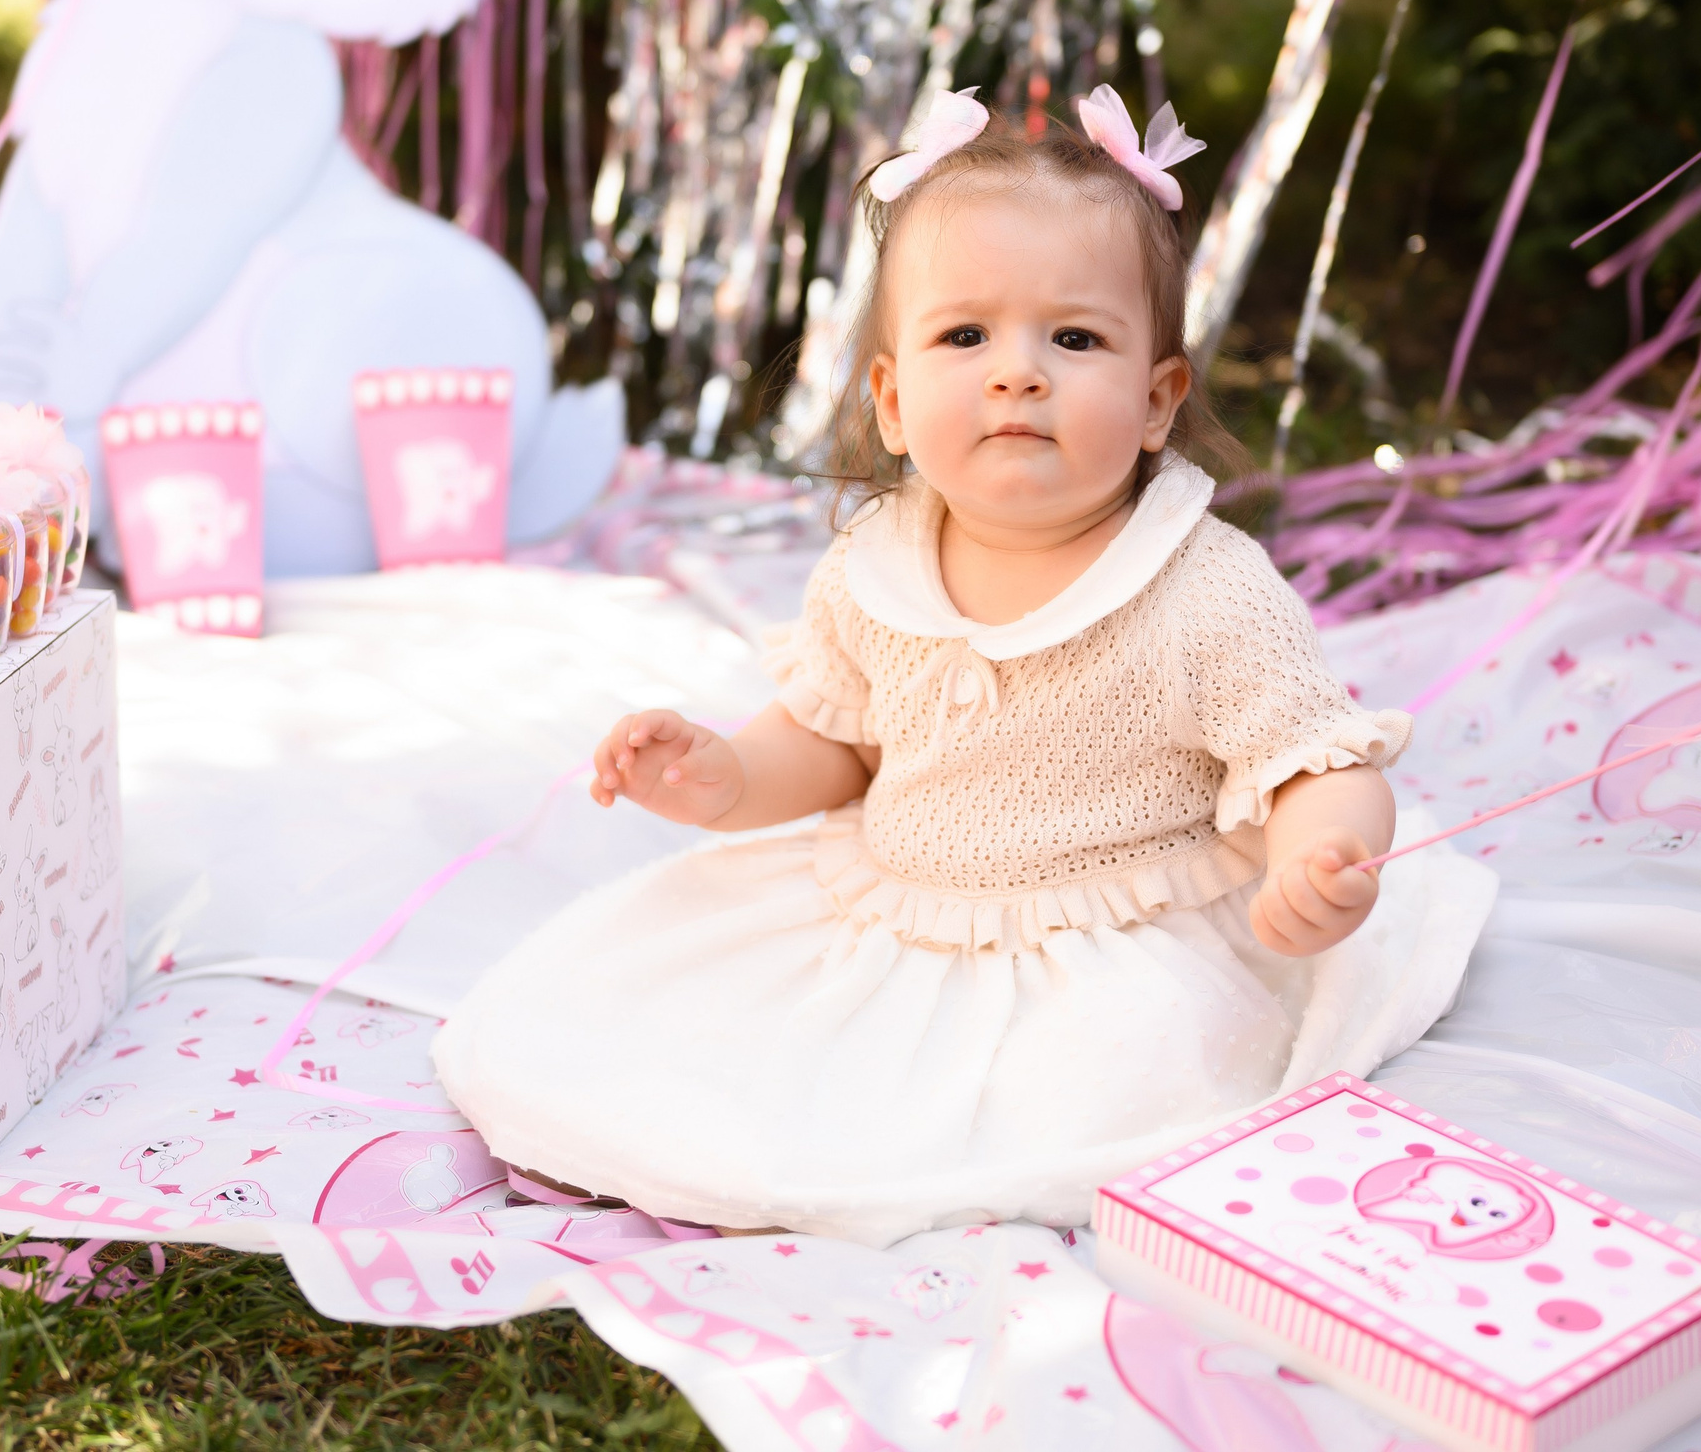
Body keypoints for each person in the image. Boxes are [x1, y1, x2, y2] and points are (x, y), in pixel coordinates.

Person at [432, 86, 1495, 1245]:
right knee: (712, 1050)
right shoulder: (871, 570)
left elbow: (1313, 759)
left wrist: (1321, 851)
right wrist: (724, 773)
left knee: (1095, 1087)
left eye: (1074, 338)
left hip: (1115, 943)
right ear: (891, 400)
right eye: (963, 335)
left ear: (1154, 400)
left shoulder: (1205, 587)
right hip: (899, 908)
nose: (1017, 373)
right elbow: (834, 743)